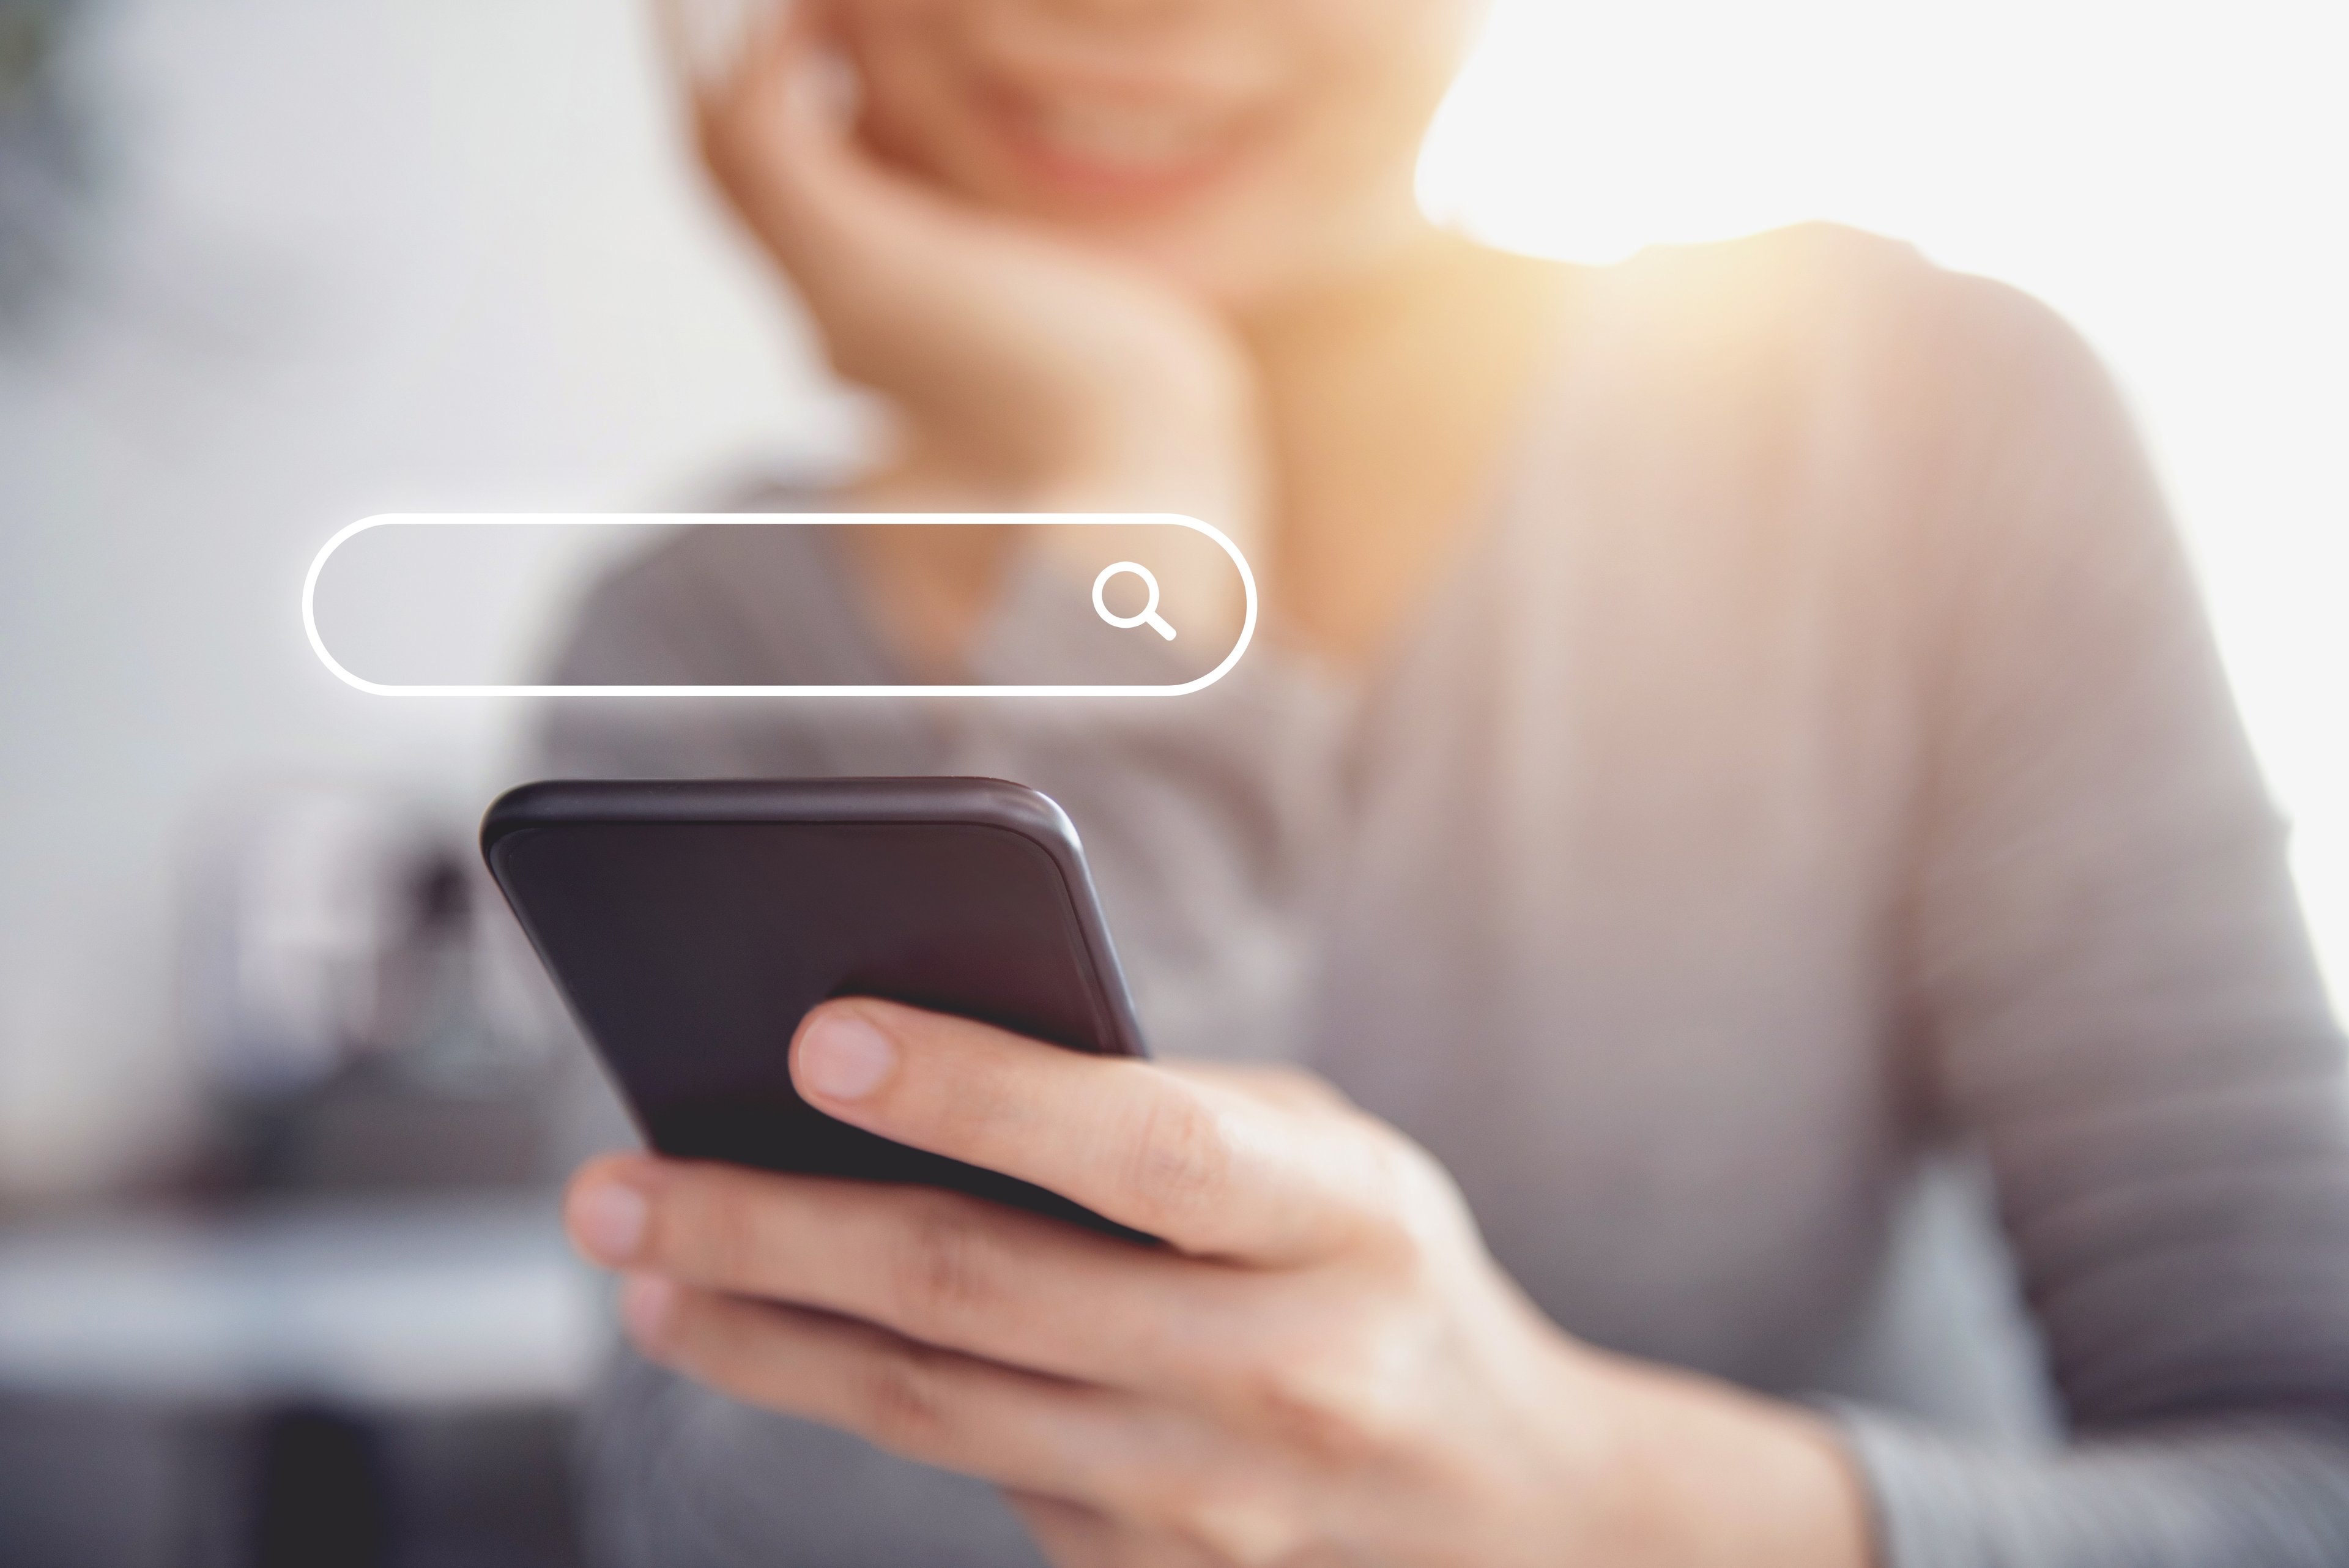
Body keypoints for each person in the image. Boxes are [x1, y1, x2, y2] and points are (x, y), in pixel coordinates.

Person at [536, 1, 2349, 1563]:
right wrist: (1134, 470)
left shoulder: (1911, 424)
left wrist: (1593, 1502)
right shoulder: (698, 636)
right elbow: (752, 1525)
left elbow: (2307, 1486)